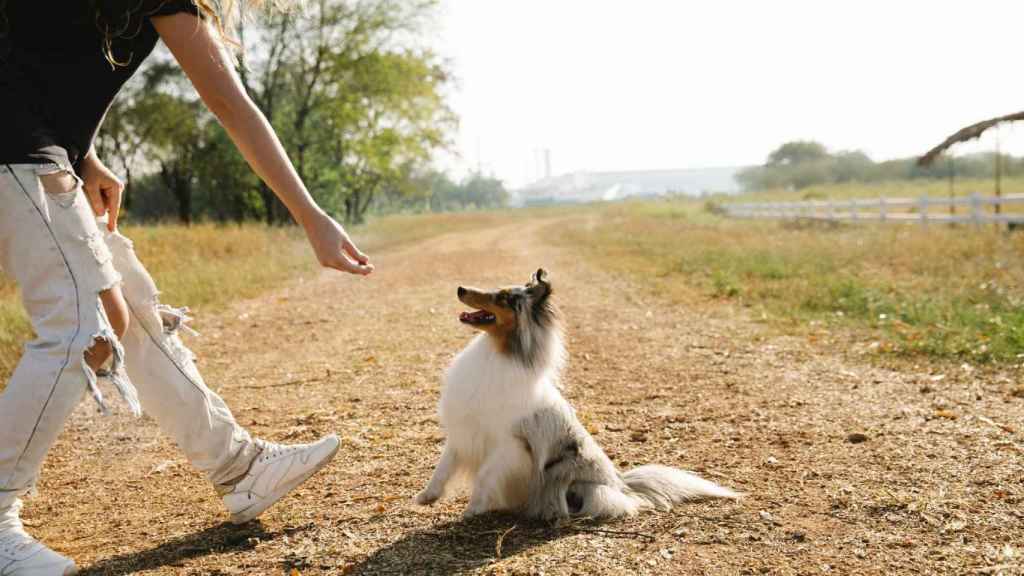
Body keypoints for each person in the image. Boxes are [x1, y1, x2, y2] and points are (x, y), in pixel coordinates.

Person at [0, 1, 374, 573]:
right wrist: (310, 215)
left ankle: (239, 468)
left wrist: (88, 156)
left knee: (128, 299)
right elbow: (229, 103)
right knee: (82, 321)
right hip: (16, 154)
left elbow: (33, 57)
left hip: (38, 151)